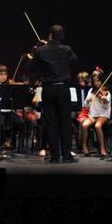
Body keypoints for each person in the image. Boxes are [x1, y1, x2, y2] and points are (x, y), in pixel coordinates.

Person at [29, 24, 78, 163]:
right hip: (63, 89)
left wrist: (37, 52)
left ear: (50, 35)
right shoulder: (66, 49)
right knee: (65, 123)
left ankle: (55, 156)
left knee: (51, 123)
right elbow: (74, 60)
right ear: (62, 37)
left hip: (49, 90)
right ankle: (67, 156)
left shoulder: (41, 50)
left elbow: (31, 68)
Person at [79, 70, 111, 158]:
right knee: (84, 125)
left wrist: (104, 100)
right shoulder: (91, 90)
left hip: (103, 114)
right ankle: (84, 147)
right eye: (95, 81)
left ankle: (102, 149)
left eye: (98, 81)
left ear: (102, 80)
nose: (96, 83)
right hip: (93, 114)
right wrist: (87, 101)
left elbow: (106, 107)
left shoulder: (106, 90)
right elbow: (85, 105)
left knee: (97, 126)